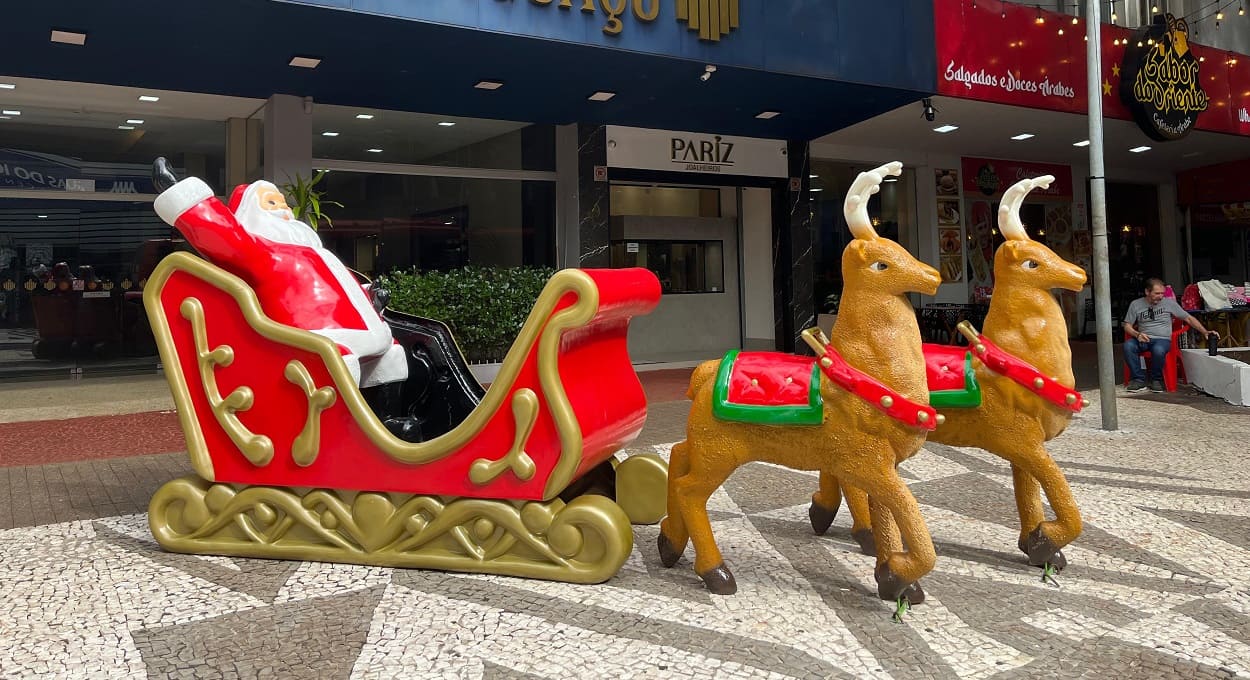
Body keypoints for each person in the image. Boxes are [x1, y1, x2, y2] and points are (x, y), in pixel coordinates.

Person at [150, 159, 407, 389]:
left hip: (368, 332)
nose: (284, 211)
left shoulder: (315, 252)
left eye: (284, 204)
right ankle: (344, 429)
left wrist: (370, 297)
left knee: (393, 356)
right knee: (334, 362)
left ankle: (388, 418)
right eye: (272, 203)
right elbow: (221, 235)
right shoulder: (261, 252)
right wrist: (183, 195)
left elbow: (339, 289)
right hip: (318, 336)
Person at [1122, 278, 1218, 392]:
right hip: (1143, 338)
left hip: (1161, 339)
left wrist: (1205, 332)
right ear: (1147, 292)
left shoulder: (1169, 303)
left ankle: (1156, 380)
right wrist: (1137, 334)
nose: (1160, 296)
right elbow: (1127, 325)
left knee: (1158, 350)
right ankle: (1138, 380)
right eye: (1157, 293)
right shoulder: (1136, 304)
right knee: (1128, 346)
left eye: (1162, 293)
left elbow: (1188, 318)